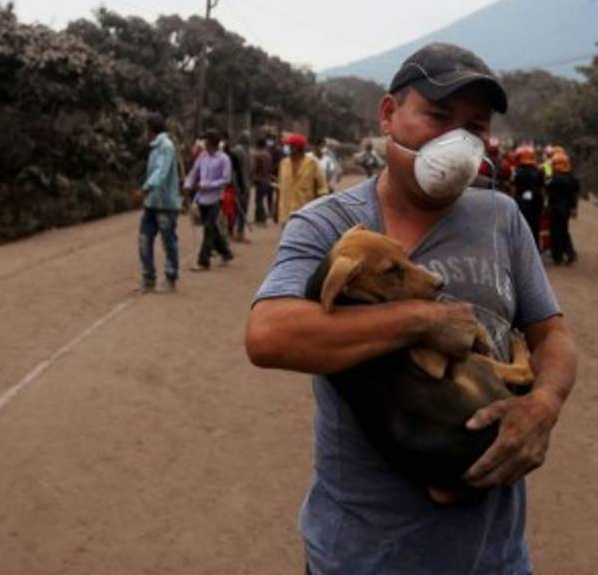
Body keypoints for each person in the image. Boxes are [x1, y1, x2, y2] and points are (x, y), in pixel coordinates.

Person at [245, 42, 577, 574]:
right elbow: (269, 335)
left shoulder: (502, 217)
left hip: (493, 557)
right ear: (388, 115)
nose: (457, 141)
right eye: (438, 116)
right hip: (361, 557)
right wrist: (424, 319)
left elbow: (551, 335)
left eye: (475, 126)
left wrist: (545, 404)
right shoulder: (329, 225)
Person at [136, 114, 181, 293]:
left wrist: (146, 188)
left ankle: (171, 277)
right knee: (144, 239)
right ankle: (148, 277)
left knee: (168, 241)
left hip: (166, 204)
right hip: (152, 203)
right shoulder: (154, 147)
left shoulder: (166, 147)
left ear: (151, 129)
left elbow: (160, 171)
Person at [184, 130, 233, 271]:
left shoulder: (224, 159)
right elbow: (194, 172)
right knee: (212, 228)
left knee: (208, 228)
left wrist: (209, 185)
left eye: (206, 140)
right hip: (201, 199)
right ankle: (225, 252)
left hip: (215, 198)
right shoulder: (202, 156)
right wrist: (188, 184)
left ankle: (203, 261)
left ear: (212, 143)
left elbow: (226, 179)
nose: (204, 143)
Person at [276, 132, 329, 223]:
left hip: (305, 214)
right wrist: (276, 209)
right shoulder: (284, 163)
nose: (286, 148)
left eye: (289, 146)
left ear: (298, 148)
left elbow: (322, 190)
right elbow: (280, 188)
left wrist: (319, 213)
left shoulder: (313, 164)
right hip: (286, 213)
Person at [511, 145, 544, 249]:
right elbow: (542, 189)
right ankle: (535, 248)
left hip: (521, 202)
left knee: (521, 226)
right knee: (535, 226)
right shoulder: (539, 171)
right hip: (536, 202)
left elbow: (513, 189)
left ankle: (522, 249)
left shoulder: (517, 171)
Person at [229, 132, 252, 242]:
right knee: (235, 209)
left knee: (242, 208)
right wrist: (235, 184)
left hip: (245, 184)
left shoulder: (247, 151)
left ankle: (239, 232)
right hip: (239, 185)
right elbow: (233, 170)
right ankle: (233, 232)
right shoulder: (237, 151)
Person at [251, 136, 273, 225]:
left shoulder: (257, 154)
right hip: (267, 179)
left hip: (260, 179)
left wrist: (252, 177)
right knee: (261, 199)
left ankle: (261, 218)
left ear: (257, 144)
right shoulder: (268, 154)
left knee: (258, 200)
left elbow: (254, 167)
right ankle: (259, 218)